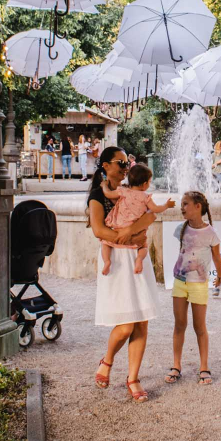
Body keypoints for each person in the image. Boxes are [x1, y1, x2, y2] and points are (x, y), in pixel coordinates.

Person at [89, 147, 160, 403]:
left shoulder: (135, 190)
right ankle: (107, 360)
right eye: (120, 162)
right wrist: (128, 235)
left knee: (141, 320)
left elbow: (150, 216)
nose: (125, 166)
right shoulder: (99, 194)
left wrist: (133, 231)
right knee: (126, 324)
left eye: (127, 162)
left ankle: (133, 377)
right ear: (106, 165)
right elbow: (98, 230)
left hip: (135, 256)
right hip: (116, 259)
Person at [165, 190, 221, 387]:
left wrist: (220, 276)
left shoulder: (211, 233)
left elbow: (216, 257)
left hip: (198, 285)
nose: (182, 207)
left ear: (198, 207)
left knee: (200, 327)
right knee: (179, 324)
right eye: (182, 204)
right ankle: (176, 365)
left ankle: (204, 366)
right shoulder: (181, 228)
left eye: (186, 203)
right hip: (180, 282)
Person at [100, 163, 174, 276]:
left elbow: (108, 194)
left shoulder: (123, 191)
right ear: (144, 184)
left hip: (118, 228)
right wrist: (166, 205)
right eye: (149, 182)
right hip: (135, 232)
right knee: (143, 246)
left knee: (105, 244)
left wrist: (104, 185)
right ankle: (139, 259)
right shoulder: (145, 197)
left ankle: (107, 261)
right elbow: (156, 209)